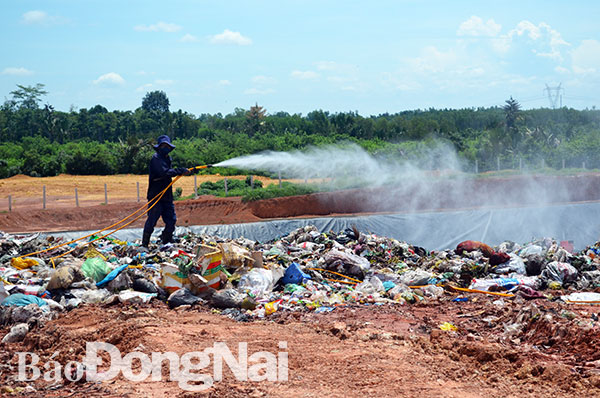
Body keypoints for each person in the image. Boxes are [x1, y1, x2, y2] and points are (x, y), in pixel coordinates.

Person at [141, 135, 190, 247]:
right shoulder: (156, 158)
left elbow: (169, 172)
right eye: (163, 145)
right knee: (152, 219)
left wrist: (180, 171)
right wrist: (180, 171)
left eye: (167, 146)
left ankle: (166, 240)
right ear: (159, 147)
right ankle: (144, 244)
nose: (165, 148)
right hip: (156, 195)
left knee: (171, 220)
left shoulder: (168, 159)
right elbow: (164, 173)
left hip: (167, 195)